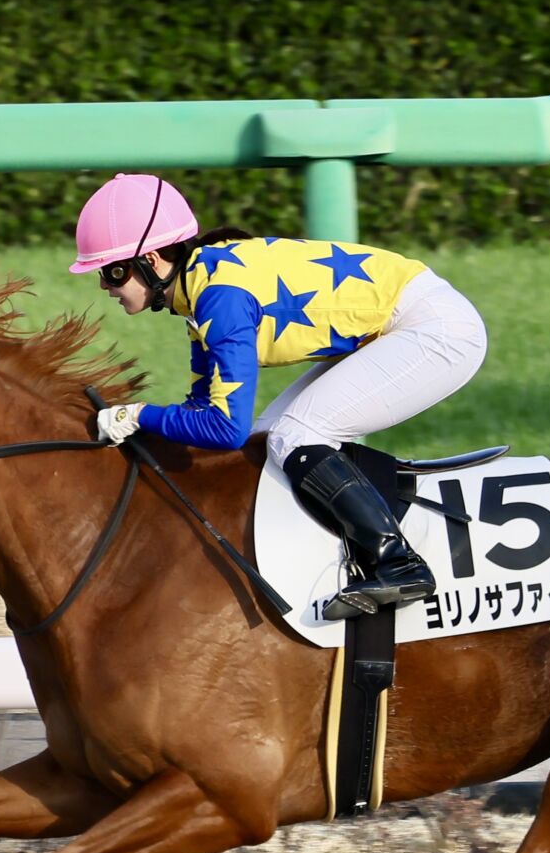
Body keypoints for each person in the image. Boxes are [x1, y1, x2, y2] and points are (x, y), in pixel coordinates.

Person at [69, 172, 488, 620]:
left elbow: (225, 428)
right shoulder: (198, 292)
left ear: (152, 259)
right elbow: (205, 416)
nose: (105, 287)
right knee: (268, 439)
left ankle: (398, 564)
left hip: (436, 330)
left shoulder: (219, 298)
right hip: (396, 325)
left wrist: (138, 415)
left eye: (113, 272)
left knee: (297, 435)